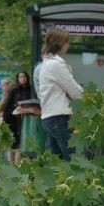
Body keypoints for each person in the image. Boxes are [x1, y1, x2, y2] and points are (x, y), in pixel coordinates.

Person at [37, 28, 83, 161]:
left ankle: (35, 181)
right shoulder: (56, 65)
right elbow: (74, 91)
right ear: (59, 43)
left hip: (50, 116)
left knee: (53, 160)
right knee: (74, 157)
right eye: (66, 42)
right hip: (59, 117)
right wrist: (93, 101)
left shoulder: (47, 63)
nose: (68, 45)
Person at [7, 71, 33, 164]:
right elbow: (8, 106)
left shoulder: (31, 90)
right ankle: (11, 164)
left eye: (24, 76)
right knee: (12, 143)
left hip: (27, 120)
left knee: (21, 143)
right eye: (20, 77)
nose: (23, 78)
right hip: (14, 120)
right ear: (18, 79)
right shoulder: (14, 91)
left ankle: (17, 165)